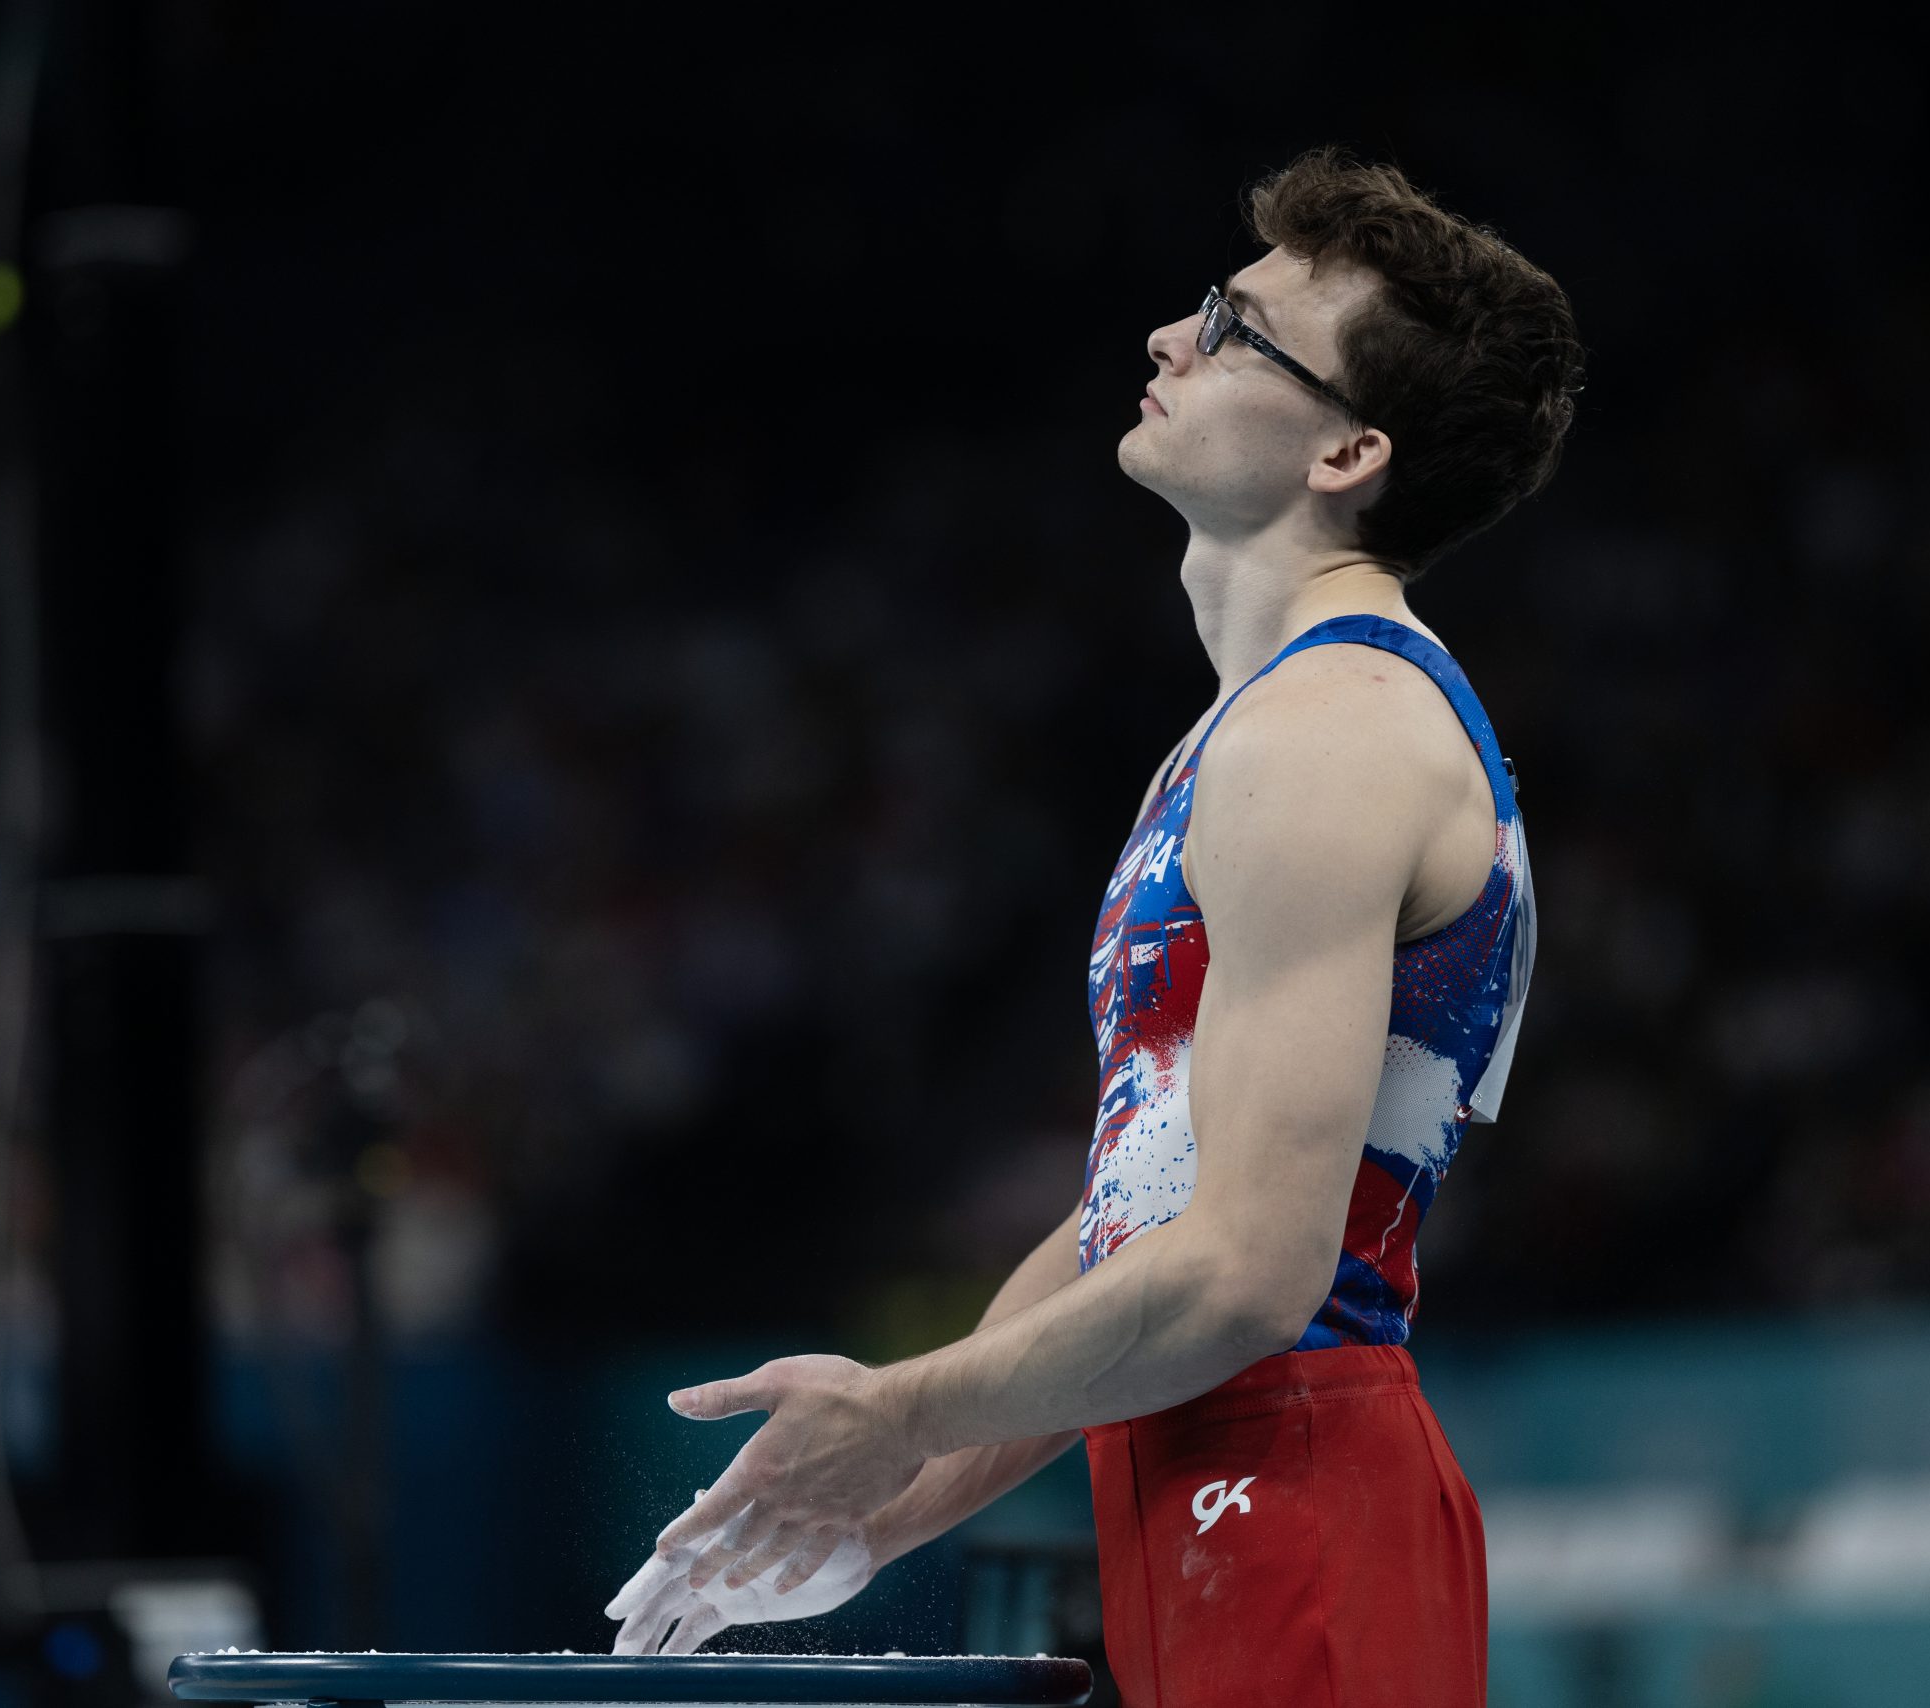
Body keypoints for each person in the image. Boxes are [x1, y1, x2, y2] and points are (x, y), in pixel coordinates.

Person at [607, 146, 1582, 1707]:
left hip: (1297, 1489)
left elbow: (1256, 1272)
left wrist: (900, 1407)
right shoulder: (1243, 736)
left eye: (1236, 328)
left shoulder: (1332, 735)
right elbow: (1149, 1209)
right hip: (1220, 1484)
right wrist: (886, 1505)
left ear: (1347, 454)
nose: (1167, 339)